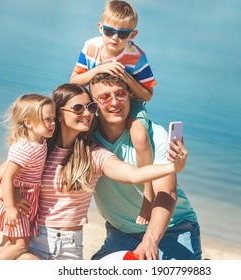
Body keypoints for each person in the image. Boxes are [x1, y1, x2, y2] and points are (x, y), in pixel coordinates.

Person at [0, 83, 188, 260]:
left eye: (90, 107)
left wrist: (173, 167)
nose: (87, 113)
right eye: (78, 108)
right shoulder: (39, 150)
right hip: (32, 240)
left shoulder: (93, 155)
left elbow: (133, 174)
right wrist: (11, 197)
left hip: (70, 248)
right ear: (59, 114)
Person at [89, 73, 201, 260]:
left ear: (129, 96)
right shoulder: (87, 139)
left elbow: (167, 193)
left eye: (120, 94)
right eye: (104, 97)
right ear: (93, 104)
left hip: (172, 228)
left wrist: (150, 240)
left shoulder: (155, 134)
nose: (115, 103)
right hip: (121, 230)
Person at [69, 0, 156, 225]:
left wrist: (128, 79)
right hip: (98, 100)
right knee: (78, 131)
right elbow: (74, 81)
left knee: (139, 135)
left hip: (129, 102)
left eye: (123, 33)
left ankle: (148, 195)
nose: (115, 38)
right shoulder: (90, 47)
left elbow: (147, 95)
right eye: (110, 31)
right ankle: (74, 188)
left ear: (133, 34)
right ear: (101, 28)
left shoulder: (136, 56)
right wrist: (98, 69)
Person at [0, 93, 56, 260]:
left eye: (53, 119)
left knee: (8, 243)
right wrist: (10, 208)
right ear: (29, 122)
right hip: (17, 200)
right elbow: (7, 177)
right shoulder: (24, 148)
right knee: (21, 245)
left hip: (26, 197)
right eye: (47, 119)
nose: (53, 123)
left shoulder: (41, 140)